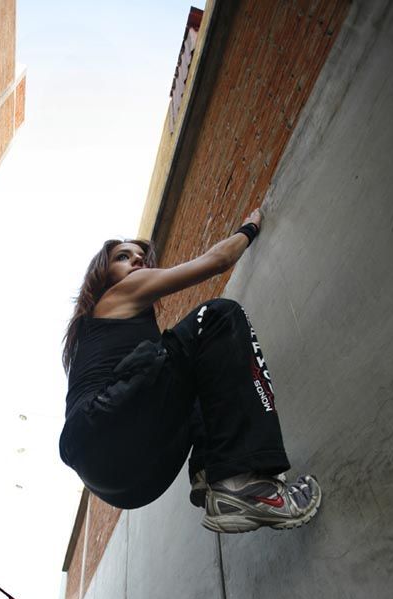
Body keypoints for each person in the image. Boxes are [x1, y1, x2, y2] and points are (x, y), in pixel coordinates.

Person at [59, 210, 321, 533]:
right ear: (103, 272)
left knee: (196, 376)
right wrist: (251, 227)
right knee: (216, 317)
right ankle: (247, 489)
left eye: (142, 258)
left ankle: (213, 476)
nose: (137, 263)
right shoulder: (121, 292)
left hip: (126, 479)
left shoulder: (98, 330)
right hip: (104, 427)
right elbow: (218, 260)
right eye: (123, 257)